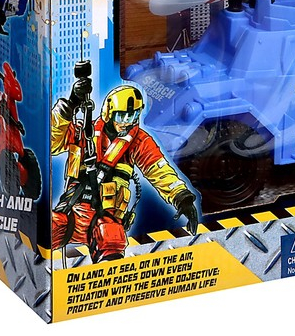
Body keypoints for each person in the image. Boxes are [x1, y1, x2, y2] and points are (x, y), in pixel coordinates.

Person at [51, 80, 198, 262]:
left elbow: (159, 170)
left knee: (112, 243)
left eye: (133, 115)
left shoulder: (139, 142)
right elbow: (53, 142)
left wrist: (182, 197)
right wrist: (70, 104)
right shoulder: (84, 132)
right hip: (70, 212)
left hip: (106, 220)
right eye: (122, 116)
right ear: (109, 112)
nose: (127, 122)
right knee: (46, 231)